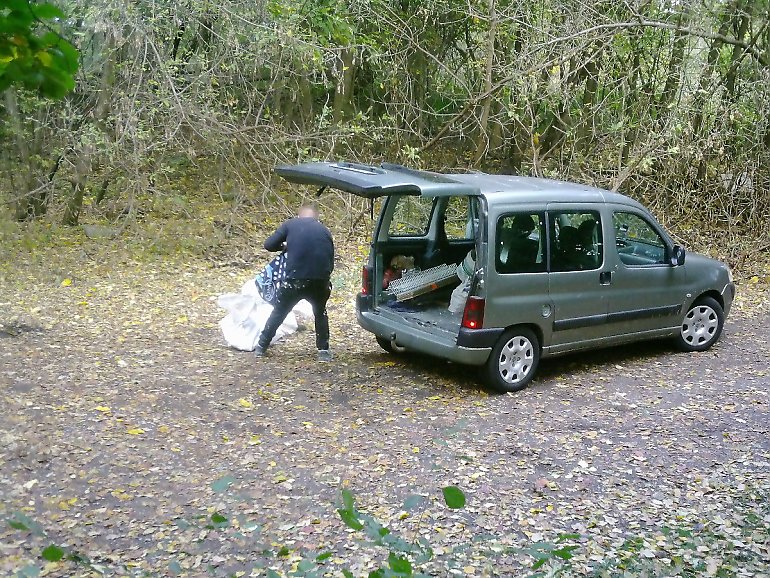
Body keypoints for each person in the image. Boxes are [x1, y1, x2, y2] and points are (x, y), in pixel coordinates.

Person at [254, 204, 335, 361]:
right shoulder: (325, 230)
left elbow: (268, 245)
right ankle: (323, 351)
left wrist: (284, 245)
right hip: (320, 280)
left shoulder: (290, 225)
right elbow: (330, 257)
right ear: (316, 217)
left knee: (279, 311)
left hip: (294, 280)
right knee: (320, 313)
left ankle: (261, 347)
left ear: (300, 215)